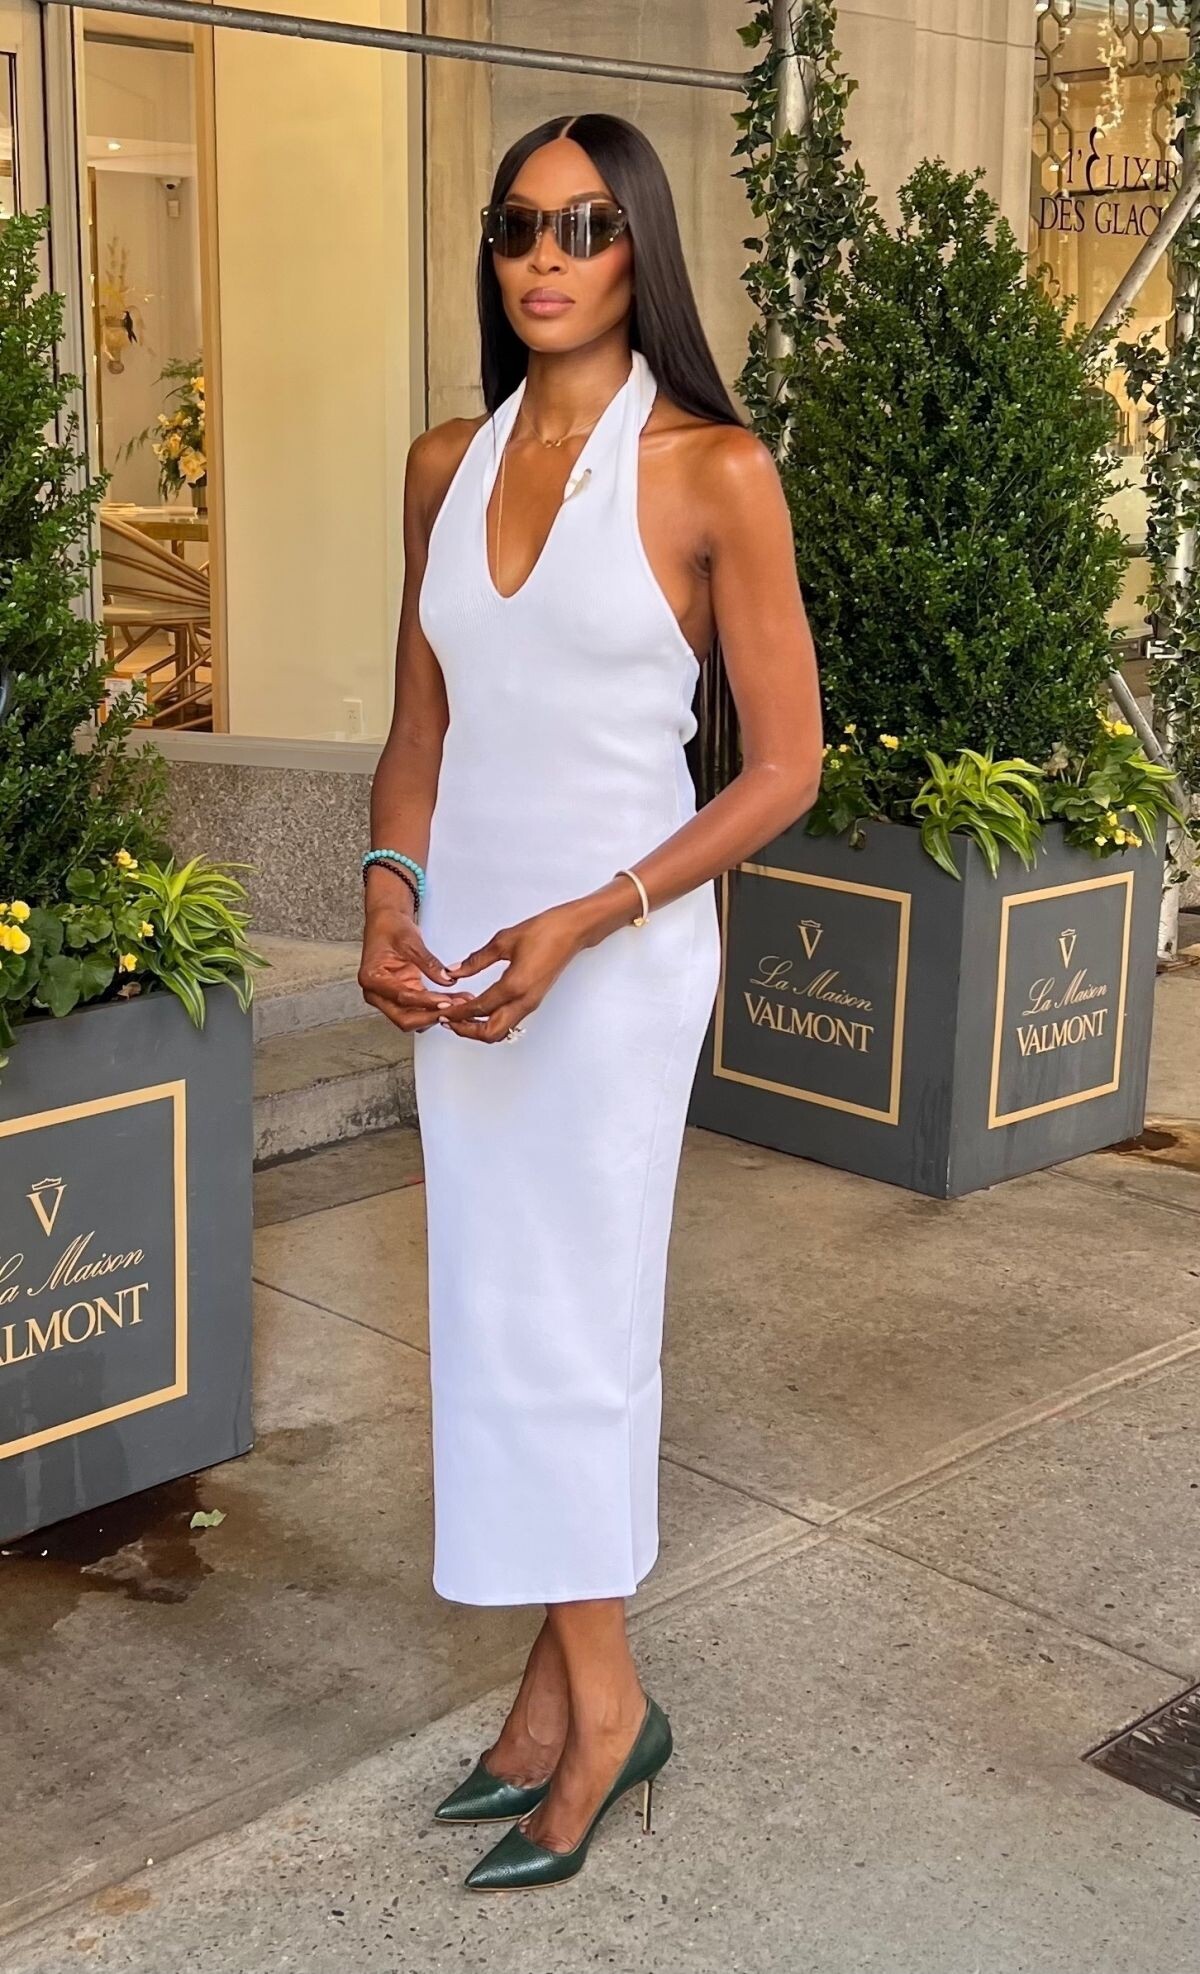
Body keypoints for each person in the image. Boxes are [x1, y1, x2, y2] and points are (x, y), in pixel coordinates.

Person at [359, 110, 822, 1893]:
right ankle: (557, 1694)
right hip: (468, 955)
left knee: (578, 1319)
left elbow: (783, 768)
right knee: (494, 1317)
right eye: (515, 227)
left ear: (639, 248)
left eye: (580, 226)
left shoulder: (716, 471)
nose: (542, 258)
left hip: (615, 956)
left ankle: (605, 1700)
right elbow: (420, 731)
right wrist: (388, 895)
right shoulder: (443, 464)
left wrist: (593, 914)